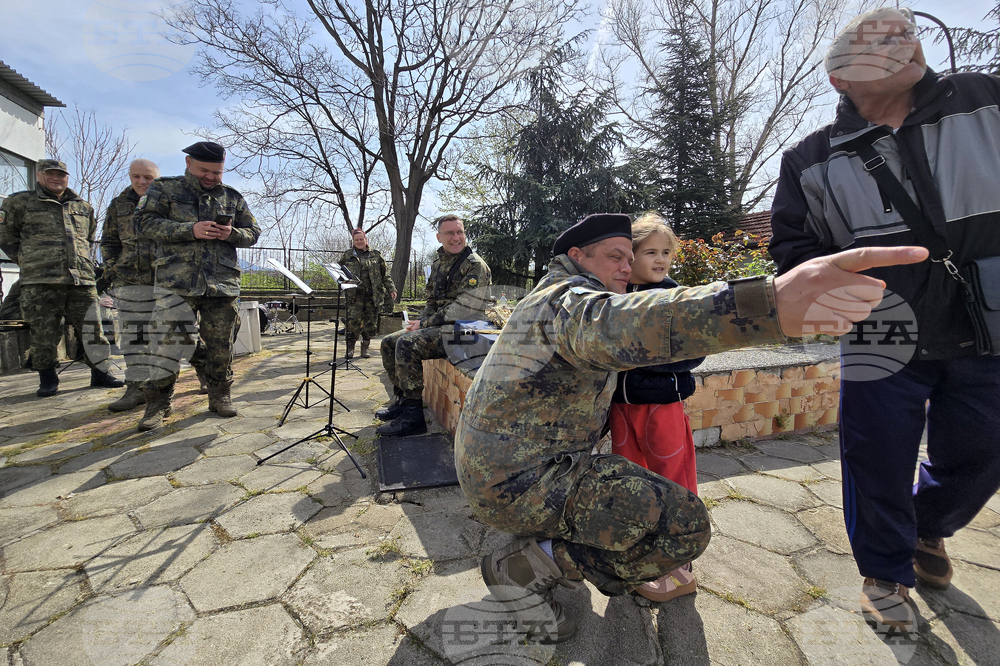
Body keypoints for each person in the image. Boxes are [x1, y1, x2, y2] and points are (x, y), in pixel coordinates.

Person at [455, 212, 928, 644]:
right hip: (520, 482)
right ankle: (525, 566)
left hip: (509, 470)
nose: (626, 267)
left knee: (630, 496)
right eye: (614, 257)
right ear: (577, 257)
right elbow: (624, 323)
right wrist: (768, 304)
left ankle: (538, 541)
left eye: (629, 257)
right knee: (681, 526)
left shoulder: (543, 299)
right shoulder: (566, 301)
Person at [768, 6, 1000, 631]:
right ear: (839, 80)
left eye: (903, 33)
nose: (898, 41)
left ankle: (930, 526)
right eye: (872, 41)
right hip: (883, 325)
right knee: (875, 454)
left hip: (992, 322)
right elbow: (793, 248)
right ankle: (885, 571)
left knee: (984, 451)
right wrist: (825, 286)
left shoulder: (985, 100)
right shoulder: (811, 159)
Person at [608, 213, 703, 603]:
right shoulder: (615, 297)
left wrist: (644, 362)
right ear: (630, 255)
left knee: (672, 478)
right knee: (630, 477)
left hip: (661, 407)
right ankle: (638, 547)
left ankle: (680, 561)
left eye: (666, 252)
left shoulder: (676, 299)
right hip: (623, 409)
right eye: (650, 252)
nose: (660, 259)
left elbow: (693, 352)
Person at [135, 141, 261, 431]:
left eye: (217, 172)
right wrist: (188, 230)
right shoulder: (164, 189)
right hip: (175, 282)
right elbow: (144, 223)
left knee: (222, 345)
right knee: (166, 344)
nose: (211, 177)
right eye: (205, 170)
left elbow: (252, 232)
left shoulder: (232, 197)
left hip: (221, 283)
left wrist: (232, 233)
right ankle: (158, 403)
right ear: (189, 162)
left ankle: (220, 395)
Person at [0, 159, 123, 397]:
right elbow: (6, 237)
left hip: (81, 280)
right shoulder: (20, 202)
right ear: (39, 175)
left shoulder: (82, 206)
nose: (56, 178)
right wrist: (29, 261)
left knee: (93, 329)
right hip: (40, 281)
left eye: (61, 174)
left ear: (67, 177)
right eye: (50, 174)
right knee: (43, 332)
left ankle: (100, 373)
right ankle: (47, 378)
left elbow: (86, 239)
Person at [377, 214, 491, 437]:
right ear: (440, 237)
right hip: (443, 326)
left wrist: (425, 323)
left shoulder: (475, 266)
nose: (456, 237)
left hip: (467, 328)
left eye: (460, 232)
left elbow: (463, 309)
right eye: (450, 233)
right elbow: (432, 301)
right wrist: (419, 323)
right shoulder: (439, 264)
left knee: (408, 344)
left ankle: (414, 417)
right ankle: (401, 401)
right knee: (389, 342)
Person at [101, 158, 161, 411]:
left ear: (156, 179)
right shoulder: (118, 205)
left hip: (166, 279)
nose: (142, 181)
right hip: (130, 281)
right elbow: (109, 241)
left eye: (148, 177)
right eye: (136, 176)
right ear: (130, 176)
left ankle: (207, 376)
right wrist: (114, 269)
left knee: (182, 334)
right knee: (134, 337)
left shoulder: (168, 203)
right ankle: (136, 389)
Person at [339, 227, 396, 359]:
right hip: (354, 296)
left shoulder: (376, 255)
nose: (359, 241)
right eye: (356, 240)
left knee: (371, 323)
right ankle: (350, 349)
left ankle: (365, 348)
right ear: (353, 241)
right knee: (352, 323)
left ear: (366, 240)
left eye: (361, 239)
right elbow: (339, 272)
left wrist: (391, 289)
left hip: (373, 296)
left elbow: (385, 275)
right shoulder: (347, 255)